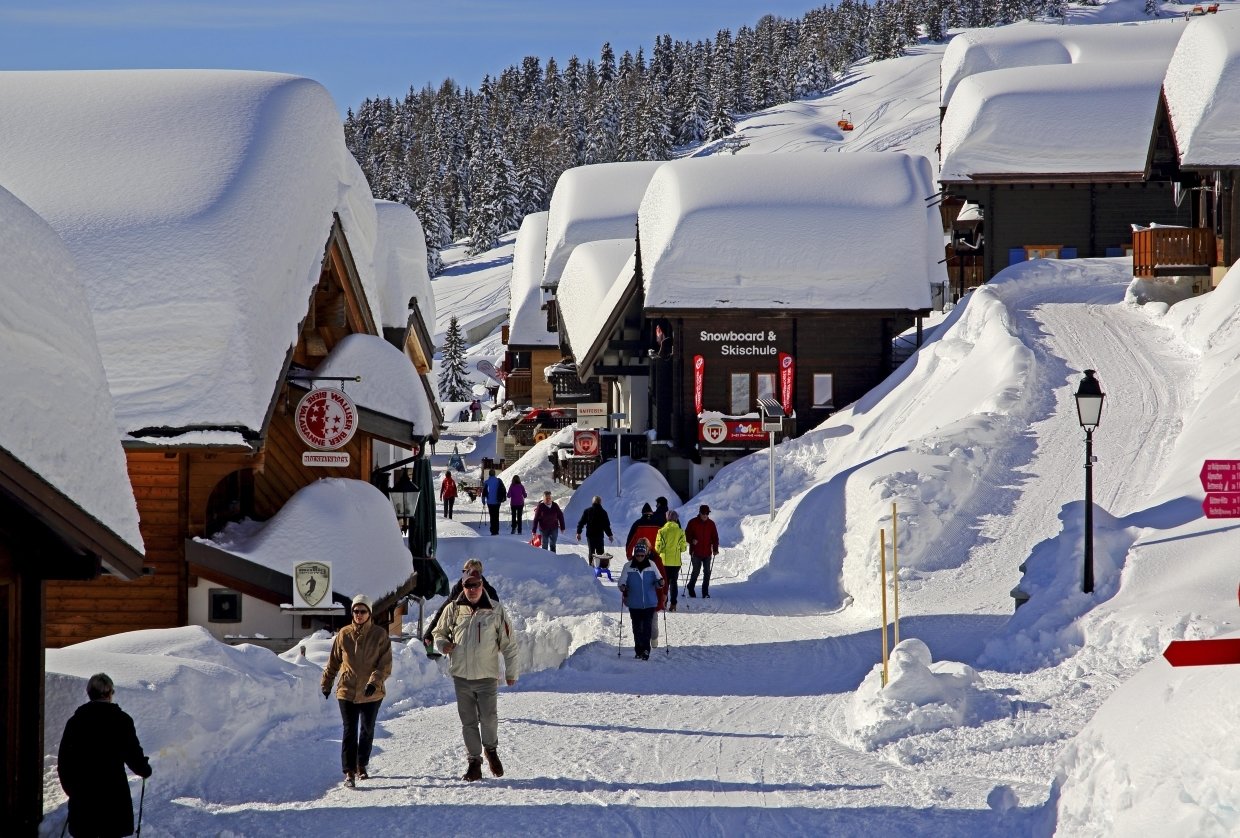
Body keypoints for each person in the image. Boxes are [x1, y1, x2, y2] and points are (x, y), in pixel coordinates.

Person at [433, 568, 520, 781]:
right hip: (461, 676)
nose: (472, 589)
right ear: (462, 587)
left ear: (482, 585)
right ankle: (474, 762)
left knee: (489, 718)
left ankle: (490, 749)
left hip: (487, 676)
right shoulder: (453, 609)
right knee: (468, 721)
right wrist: (443, 644)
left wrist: (511, 671)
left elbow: (509, 644)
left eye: (476, 585)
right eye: (468, 585)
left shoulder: (496, 610)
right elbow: (438, 632)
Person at [58, 672, 152, 838]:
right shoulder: (122, 720)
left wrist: (71, 789)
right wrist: (144, 769)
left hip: (83, 792)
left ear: (89, 693)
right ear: (110, 693)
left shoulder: (76, 721)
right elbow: (132, 753)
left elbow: (65, 760)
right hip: (113, 792)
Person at [321, 594, 392, 787]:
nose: (359, 615)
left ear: (369, 613)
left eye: (363, 611)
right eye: (356, 611)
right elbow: (334, 661)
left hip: (372, 692)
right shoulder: (344, 634)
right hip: (347, 690)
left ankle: (362, 764)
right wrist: (326, 683)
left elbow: (384, 664)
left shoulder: (379, 635)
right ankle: (349, 771)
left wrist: (373, 683)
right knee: (349, 730)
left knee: (367, 730)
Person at [423, 559, 500, 657]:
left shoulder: (490, 592)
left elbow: (498, 620)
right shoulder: (458, 589)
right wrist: (429, 633)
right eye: (466, 571)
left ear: (480, 574)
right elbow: (443, 612)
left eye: (474, 572)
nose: (470, 575)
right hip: (461, 645)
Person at [617, 539, 665, 660]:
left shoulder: (651, 565)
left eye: (642, 555)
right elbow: (621, 581)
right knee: (637, 628)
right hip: (634, 603)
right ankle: (638, 650)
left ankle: (646, 650)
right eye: (637, 555)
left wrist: (660, 583)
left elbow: (659, 580)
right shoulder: (628, 566)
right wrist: (622, 587)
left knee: (647, 627)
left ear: (645, 554)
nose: (639, 557)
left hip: (649, 602)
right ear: (634, 554)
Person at [684, 504, 720, 598]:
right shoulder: (692, 522)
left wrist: (715, 549)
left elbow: (715, 537)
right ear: (699, 513)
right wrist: (692, 540)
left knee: (707, 572)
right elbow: (687, 535)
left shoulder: (711, 524)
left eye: (707, 513)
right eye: (703, 513)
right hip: (695, 552)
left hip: (707, 552)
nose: (705, 515)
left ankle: (705, 592)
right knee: (696, 571)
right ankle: (691, 587)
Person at [655, 510, 687, 611]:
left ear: (667, 518)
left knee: (665, 583)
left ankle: (664, 602)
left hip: (664, 561)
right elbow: (683, 548)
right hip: (676, 562)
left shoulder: (661, 531)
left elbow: (658, 548)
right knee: (674, 583)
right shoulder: (680, 531)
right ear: (676, 519)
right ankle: (673, 604)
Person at [576, 495, 614, 564]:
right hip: (599, 535)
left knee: (591, 551)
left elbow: (581, 522)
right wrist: (610, 535)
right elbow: (606, 526)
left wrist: (578, 533)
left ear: (593, 502)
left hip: (590, 535)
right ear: (600, 502)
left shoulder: (587, 511)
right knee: (600, 552)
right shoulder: (603, 512)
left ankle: (591, 567)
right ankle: (600, 567)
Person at [482, 468, 507, 536]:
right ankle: (496, 530)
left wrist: (483, 501)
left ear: (489, 474)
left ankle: (492, 530)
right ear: (494, 474)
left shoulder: (486, 482)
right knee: (496, 515)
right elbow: (503, 489)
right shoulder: (498, 481)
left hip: (490, 502)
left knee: (492, 516)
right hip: (497, 501)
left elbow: (484, 493)